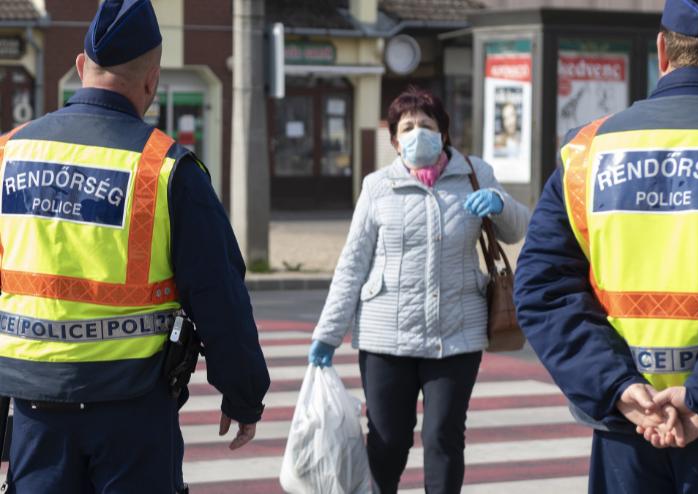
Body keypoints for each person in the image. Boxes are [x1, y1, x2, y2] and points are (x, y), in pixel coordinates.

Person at [0, 1, 270, 493]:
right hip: (133, 414)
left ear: (80, 66)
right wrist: (243, 393)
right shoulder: (167, 169)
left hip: (35, 410)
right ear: (152, 80)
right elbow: (219, 294)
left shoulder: (9, 154)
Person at [514, 0, 698, 492]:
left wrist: (617, 388)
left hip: (628, 430)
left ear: (662, 50)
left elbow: (541, 289)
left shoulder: (587, 151)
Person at [308, 87, 530, 493]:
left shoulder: (475, 174)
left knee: (443, 436)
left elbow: (517, 230)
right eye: (407, 127)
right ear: (395, 141)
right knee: (388, 441)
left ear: (443, 133)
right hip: (386, 338)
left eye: (426, 125)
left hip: (457, 335)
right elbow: (352, 264)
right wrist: (327, 334)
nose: (417, 133)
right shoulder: (377, 186)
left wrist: (499, 203)